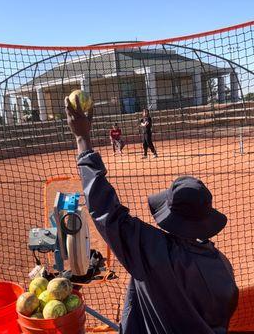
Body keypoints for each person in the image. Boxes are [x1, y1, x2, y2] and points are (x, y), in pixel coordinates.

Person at [65, 95, 238, 334]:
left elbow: (107, 212)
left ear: (171, 216)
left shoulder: (153, 251)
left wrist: (82, 139)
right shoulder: (223, 267)